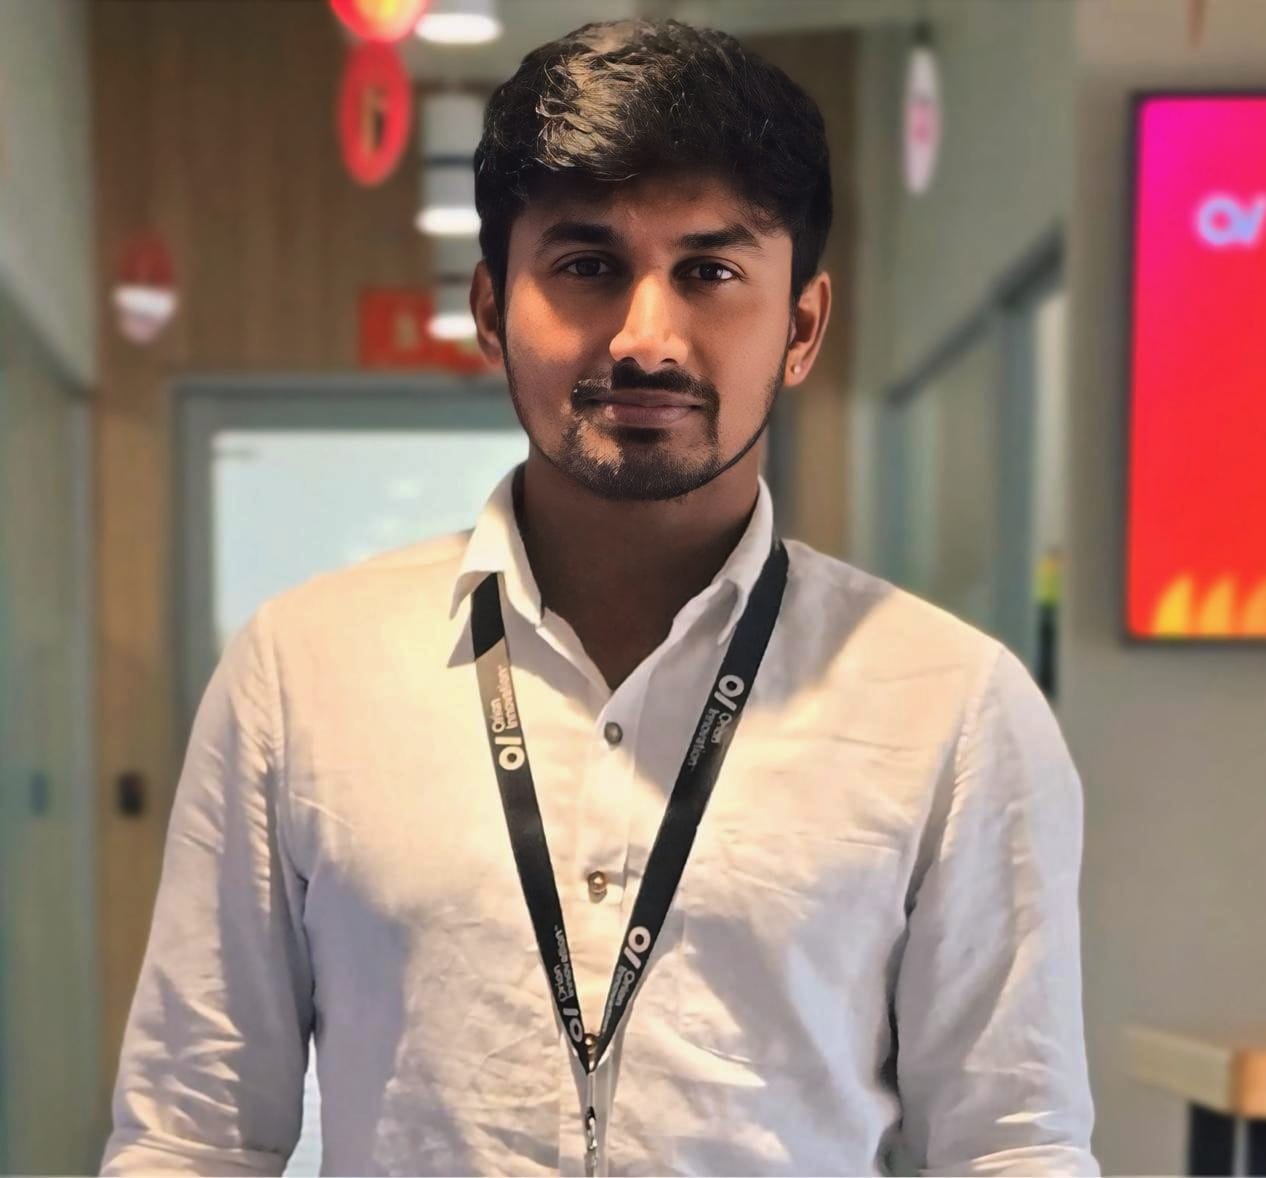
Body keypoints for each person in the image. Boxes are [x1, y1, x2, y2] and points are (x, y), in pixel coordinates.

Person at [100, 18, 1098, 1177]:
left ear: (800, 327)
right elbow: (192, 1133)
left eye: (709, 272)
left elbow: (1009, 1145)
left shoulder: (952, 706)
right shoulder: (302, 669)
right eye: (586, 266)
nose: (644, 338)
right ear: (491, 308)